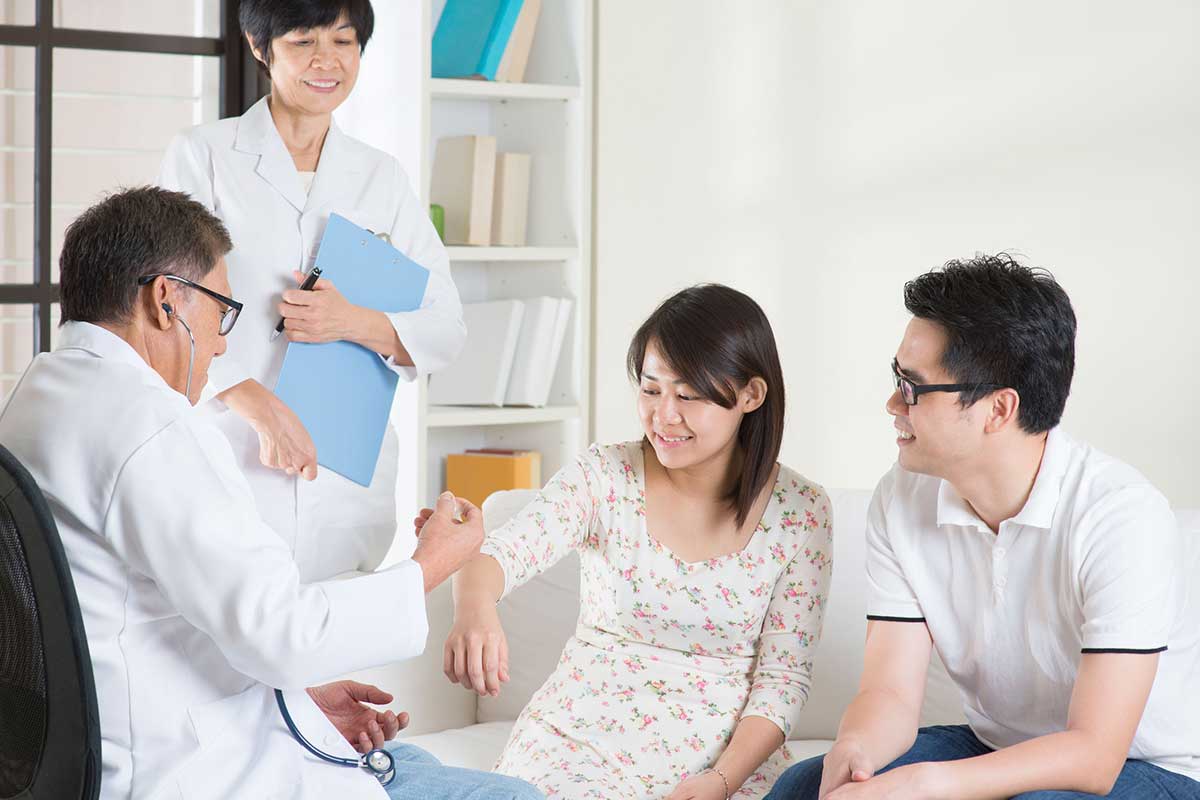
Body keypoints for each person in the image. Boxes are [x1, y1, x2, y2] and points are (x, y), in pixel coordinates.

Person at [0, 187, 539, 800]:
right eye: (222, 311)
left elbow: (134, 620)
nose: (225, 342)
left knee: (412, 762)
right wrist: (435, 561)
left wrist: (291, 702)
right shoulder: (153, 431)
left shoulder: (38, 396)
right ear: (166, 301)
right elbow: (286, 635)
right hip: (194, 773)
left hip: (143, 740)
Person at [767, 254, 1200, 800]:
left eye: (912, 388)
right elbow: (891, 693)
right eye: (896, 378)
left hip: (1144, 765)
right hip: (995, 744)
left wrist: (922, 784)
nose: (890, 404)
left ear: (998, 409)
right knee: (804, 784)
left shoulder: (1120, 518)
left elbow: (1094, 756)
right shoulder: (901, 499)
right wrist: (855, 755)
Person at [428, 285, 835, 799]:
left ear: (751, 395)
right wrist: (474, 607)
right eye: (650, 389)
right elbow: (498, 555)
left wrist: (719, 781)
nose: (664, 415)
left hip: (726, 761)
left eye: (688, 395)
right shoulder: (603, 477)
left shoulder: (800, 512)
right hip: (582, 743)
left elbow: (783, 680)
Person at [158, 0, 464, 581]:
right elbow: (165, 305)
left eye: (343, 42)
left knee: (335, 649)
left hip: (345, 469)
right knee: (227, 638)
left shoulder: (381, 177)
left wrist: (350, 321)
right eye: (303, 42)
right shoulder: (204, 156)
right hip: (230, 445)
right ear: (259, 45)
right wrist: (255, 404)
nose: (326, 61)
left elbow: (445, 325)